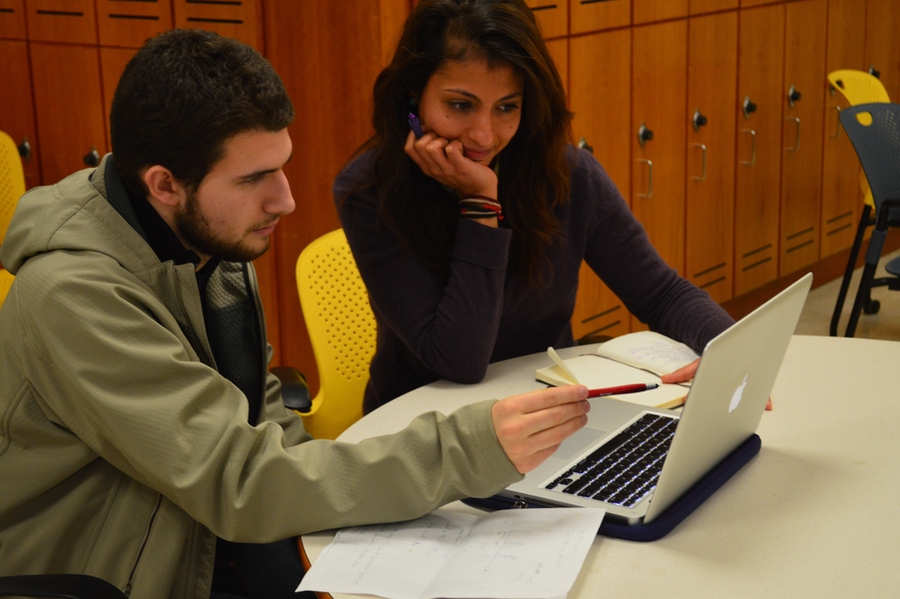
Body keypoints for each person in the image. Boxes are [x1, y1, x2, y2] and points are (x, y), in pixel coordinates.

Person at [0, 29, 591, 599]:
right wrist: (467, 449)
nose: (285, 199)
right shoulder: (74, 295)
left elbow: (264, 438)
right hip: (120, 577)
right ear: (165, 184)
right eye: (255, 178)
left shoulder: (207, 244)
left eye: (280, 165)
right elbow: (240, 481)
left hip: (201, 535)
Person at [335, 0, 736, 414]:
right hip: (425, 431)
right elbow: (459, 361)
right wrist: (479, 205)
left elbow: (661, 294)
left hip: (553, 410)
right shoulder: (369, 192)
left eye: (507, 107)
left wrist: (733, 358)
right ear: (413, 97)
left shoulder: (566, 173)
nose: (484, 135)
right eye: (460, 105)